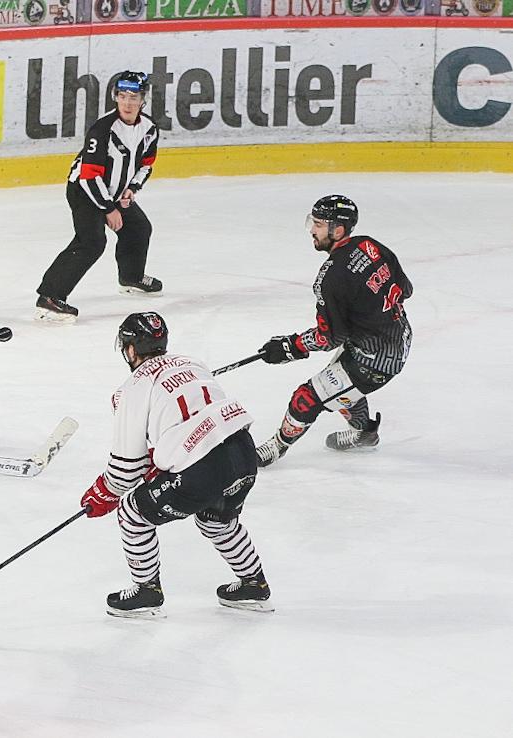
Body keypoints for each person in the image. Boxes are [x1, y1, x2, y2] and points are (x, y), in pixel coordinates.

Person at [79, 312, 273, 618]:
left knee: (132, 512)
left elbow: (127, 467)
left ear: (130, 350)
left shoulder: (134, 386)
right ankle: (254, 585)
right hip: (244, 453)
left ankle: (146, 593)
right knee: (215, 520)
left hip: (203, 467)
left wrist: (103, 493)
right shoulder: (192, 363)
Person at [254, 195, 413, 467]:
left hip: (374, 360)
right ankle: (364, 433)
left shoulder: (332, 277)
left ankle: (277, 446)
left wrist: (290, 346)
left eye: (317, 224)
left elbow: (330, 337)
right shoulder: (370, 245)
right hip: (395, 338)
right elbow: (406, 290)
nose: (312, 231)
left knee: (306, 398)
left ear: (337, 230)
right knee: (340, 388)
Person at [35, 70, 161, 323]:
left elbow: (146, 165)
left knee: (138, 228)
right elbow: (89, 176)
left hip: (113, 193)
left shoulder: (149, 129)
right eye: (122, 96)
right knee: (91, 242)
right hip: (84, 191)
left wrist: (131, 189)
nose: (127, 102)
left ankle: (131, 278)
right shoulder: (103, 129)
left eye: (133, 97)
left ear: (142, 99)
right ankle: (49, 297)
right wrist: (108, 208)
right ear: (115, 97)